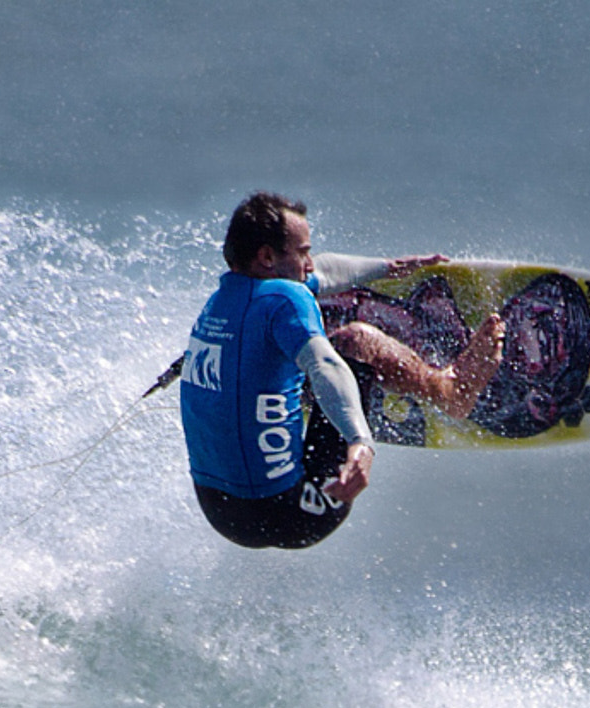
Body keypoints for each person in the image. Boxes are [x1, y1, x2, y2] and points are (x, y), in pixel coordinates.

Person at [178, 192, 505, 549]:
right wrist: (360, 443)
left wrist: (389, 267)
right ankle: (449, 391)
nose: (309, 263)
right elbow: (326, 364)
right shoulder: (284, 298)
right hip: (297, 511)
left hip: (221, 514)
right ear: (268, 257)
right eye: (302, 252)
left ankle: (303, 403)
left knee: (294, 334)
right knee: (352, 341)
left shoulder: (218, 304)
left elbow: (326, 271)